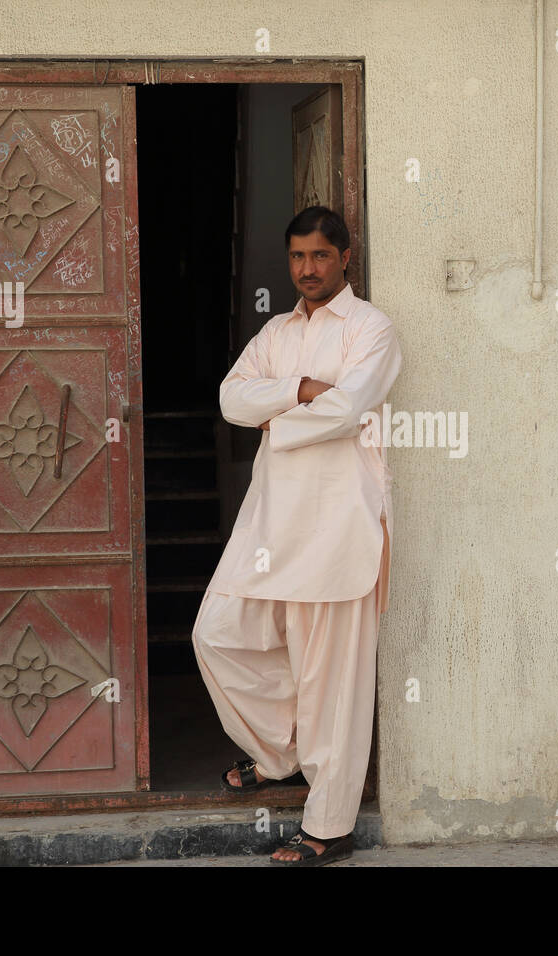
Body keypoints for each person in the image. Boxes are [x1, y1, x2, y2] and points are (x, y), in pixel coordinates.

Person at [191, 205, 402, 866]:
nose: (307, 269)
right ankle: (278, 754)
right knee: (219, 634)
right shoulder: (276, 332)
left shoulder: (373, 330)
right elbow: (231, 399)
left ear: (344, 256)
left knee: (333, 679)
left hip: (339, 525)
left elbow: (349, 408)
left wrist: (277, 415)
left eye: (319, 256)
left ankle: (329, 828)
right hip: (273, 521)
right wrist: (304, 387)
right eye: (296, 257)